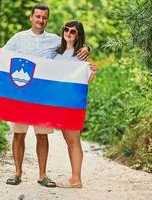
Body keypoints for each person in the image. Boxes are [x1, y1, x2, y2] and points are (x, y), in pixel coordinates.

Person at [0, 4, 90, 187]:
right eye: (38, 17)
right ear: (31, 17)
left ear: (47, 20)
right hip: (21, 95)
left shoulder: (53, 40)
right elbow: (1, 60)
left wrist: (87, 48)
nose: (40, 20)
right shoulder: (18, 38)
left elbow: (71, 48)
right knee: (18, 134)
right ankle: (17, 173)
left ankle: (43, 175)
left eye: (44, 17)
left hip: (43, 98)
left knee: (42, 136)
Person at [53, 20, 97, 188]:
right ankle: (74, 177)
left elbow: (85, 80)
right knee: (68, 139)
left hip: (72, 103)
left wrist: (92, 71)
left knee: (74, 140)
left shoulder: (81, 54)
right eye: (66, 30)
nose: (69, 33)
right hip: (59, 103)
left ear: (78, 35)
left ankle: (76, 179)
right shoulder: (56, 53)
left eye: (73, 31)